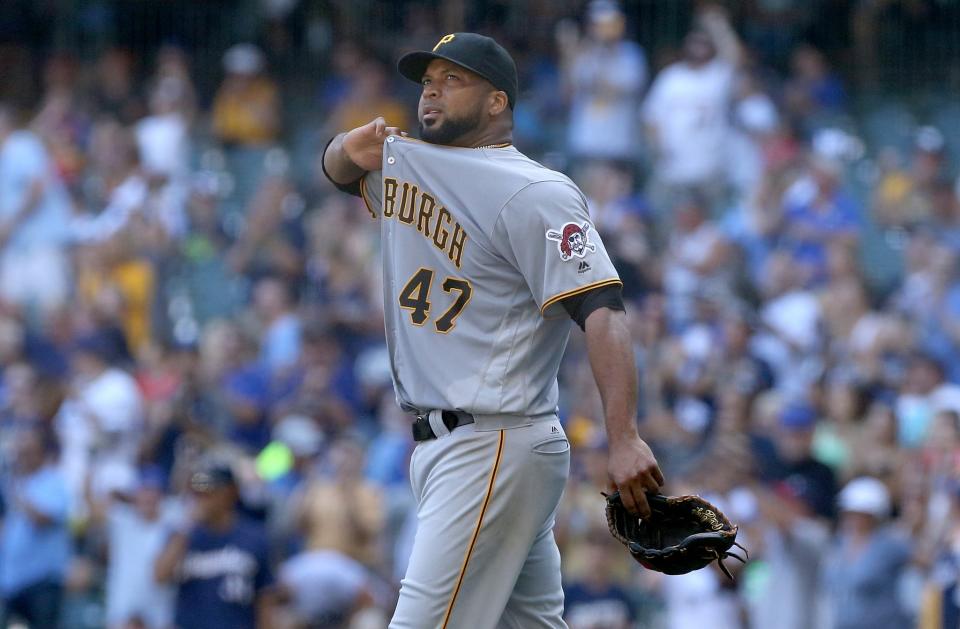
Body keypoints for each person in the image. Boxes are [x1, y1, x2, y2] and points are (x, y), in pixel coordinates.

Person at [322, 31, 663, 628]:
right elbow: (337, 170)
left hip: (493, 438)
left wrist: (625, 435)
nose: (432, 94)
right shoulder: (411, 162)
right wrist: (347, 148)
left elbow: (603, 311)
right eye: (428, 82)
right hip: (462, 444)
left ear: (497, 102)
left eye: (453, 81)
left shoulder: (537, 192)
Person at [154, 463, 278, 629]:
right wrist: (186, 526)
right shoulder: (183, 535)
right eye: (198, 493)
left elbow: (265, 600)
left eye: (209, 492)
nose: (202, 498)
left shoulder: (255, 537)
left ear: (231, 492)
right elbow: (159, 576)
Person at [0, 428, 71, 629]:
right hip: (12, 580)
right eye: (20, 451)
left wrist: (19, 492)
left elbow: (43, 519)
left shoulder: (54, 482)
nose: (22, 456)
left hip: (42, 582)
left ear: (42, 452)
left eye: (28, 451)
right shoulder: (9, 483)